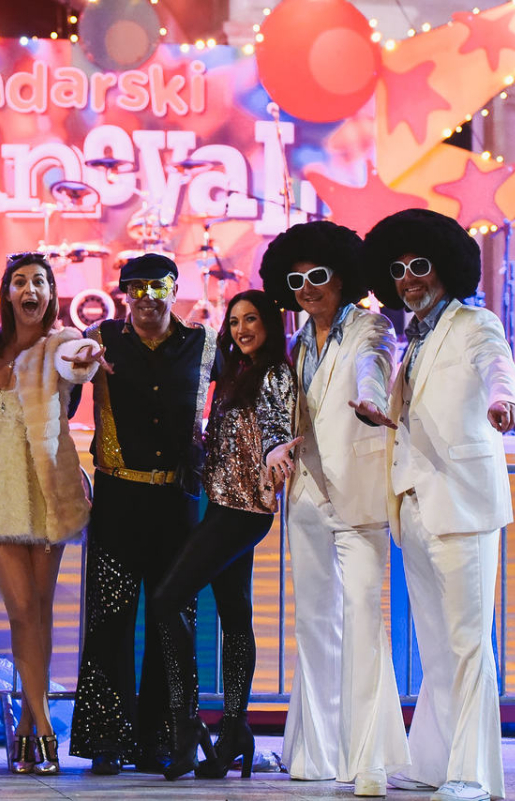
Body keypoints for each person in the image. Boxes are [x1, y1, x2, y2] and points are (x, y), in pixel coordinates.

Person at [362, 208, 515, 801]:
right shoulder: (413, 339)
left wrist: (504, 399)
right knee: (435, 644)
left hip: (462, 501)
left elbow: (497, 364)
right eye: (398, 270)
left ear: (447, 268)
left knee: (467, 643)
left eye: (420, 266)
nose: (409, 279)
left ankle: (473, 774)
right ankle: (434, 762)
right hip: (414, 504)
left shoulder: (475, 322)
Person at [259, 220, 409, 798]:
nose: (307, 289)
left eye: (318, 276)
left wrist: (370, 399)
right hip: (305, 495)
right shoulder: (297, 343)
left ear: (342, 277)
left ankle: (369, 759)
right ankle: (316, 753)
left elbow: (374, 364)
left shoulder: (372, 327)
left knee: (364, 621)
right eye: (296, 280)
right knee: (314, 625)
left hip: (357, 496)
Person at [0, 252, 107, 775]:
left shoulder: (58, 344)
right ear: (7, 292)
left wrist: (87, 355)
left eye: (40, 281)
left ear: (51, 294)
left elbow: (76, 360)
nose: (30, 289)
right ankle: (42, 728)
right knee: (20, 610)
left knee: (40, 608)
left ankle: (26, 729)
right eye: (20, 281)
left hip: (44, 487)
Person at [69, 253, 216, 776]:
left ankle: (163, 740)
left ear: (175, 290)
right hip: (118, 500)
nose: (147, 298)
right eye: (136, 287)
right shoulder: (99, 338)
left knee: (171, 620)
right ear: (123, 293)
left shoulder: (203, 343)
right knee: (109, 618)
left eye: (157, 287)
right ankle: (106, 738)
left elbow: (239, 397)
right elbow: (58, 402)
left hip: (178, 503)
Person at [147, 289, 299, 781]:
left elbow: (276, 425)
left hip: (243, 510)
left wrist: (276, 451)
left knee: (167, 600)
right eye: (234, 322)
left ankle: (187, 723)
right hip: (223, 504)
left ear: (269, 323)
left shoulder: (274, 373)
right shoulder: (235, 371)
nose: (241, 329)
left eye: (251, 319)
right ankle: (234, 729)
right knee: (234, 614)